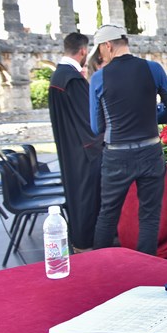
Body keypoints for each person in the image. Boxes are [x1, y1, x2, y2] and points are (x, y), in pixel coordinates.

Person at [88, 24, 167, 254]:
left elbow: (97, 127)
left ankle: (100, 266)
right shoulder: (153, 68)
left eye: (100, 50)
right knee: (150, 216)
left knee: (108, 214)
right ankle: (145, 267)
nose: (100, 55)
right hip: (150, 150)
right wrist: (149, 116)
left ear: (108, 45)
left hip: (117, 154)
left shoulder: (99, 78)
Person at [48, 32, 103, 251]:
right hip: (84, 151)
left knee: (78, 196)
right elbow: (89, 119)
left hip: (69, 147)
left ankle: (80, 241)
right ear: (83, 51)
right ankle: (85, 244)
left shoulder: (59, 76)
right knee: (86, 198)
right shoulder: (72, 79)